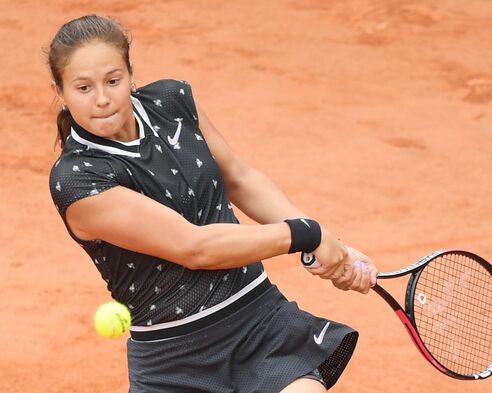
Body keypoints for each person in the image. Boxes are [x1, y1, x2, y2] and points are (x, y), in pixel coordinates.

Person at [47, 14, 378, 393]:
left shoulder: (172, 101)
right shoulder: (77, 179)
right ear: (60, 92)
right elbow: (195, 247)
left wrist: (329, 247)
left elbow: (240, 177)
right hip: (174, 364)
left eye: (113, 80)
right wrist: (308, 234)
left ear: (131, 72)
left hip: (260, 327)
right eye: (83, 88)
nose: (102, 99)